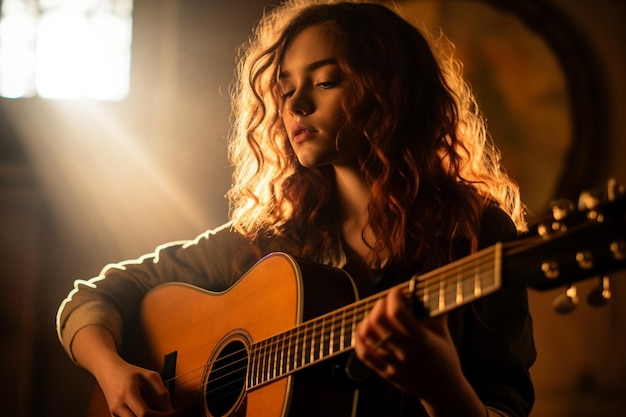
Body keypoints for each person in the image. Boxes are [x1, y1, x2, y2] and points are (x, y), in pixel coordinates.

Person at [56, 1, 536, 416]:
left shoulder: (475, 234)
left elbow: (503, 408)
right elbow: (89, 299)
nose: (295, 106)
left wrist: (441, 389)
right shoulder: (267, 239)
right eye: (285, 90)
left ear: (391, 92)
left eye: (326, 81)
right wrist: (114, 373)